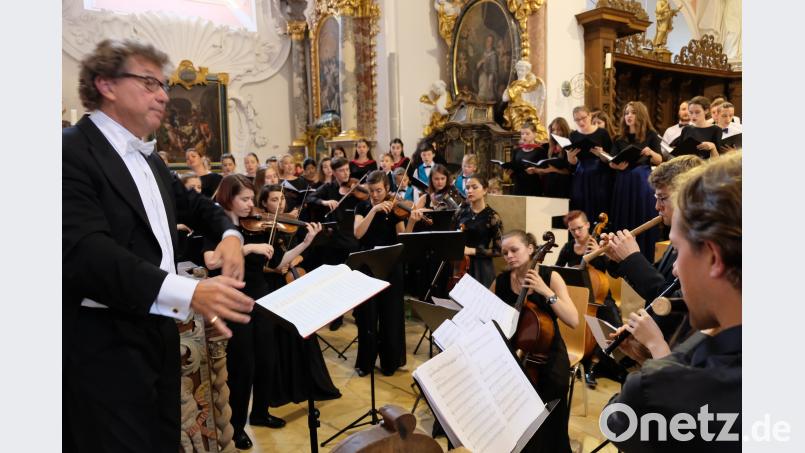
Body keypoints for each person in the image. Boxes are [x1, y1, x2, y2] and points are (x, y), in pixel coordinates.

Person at [63, 39, 253, 453]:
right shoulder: (68, 152)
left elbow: (198, 205)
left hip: (157, 332)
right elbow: (89, 254)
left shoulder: (150, 158)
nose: (165, 96)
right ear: (106, 85)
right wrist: (192, 292)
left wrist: (231, 235)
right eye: (150, 83)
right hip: (101, 344)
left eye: (163, 85)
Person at [603, 153, 741, 452]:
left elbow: (614, 421)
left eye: (677, 250)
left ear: (715, 257)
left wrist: (660, 361)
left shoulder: (668, 386)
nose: (676, 269)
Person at [248, 184, 341, 428]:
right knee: (272, 346)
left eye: (281, 199)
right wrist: (277, 266)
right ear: (264, 204)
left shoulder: (283, 225)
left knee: (298, 334)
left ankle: (302, 384)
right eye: (273, 200)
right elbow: (267, 265)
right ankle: (275, 394)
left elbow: (282, 259)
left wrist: (308, 240)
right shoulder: (256, 228)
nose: (279, 204)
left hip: (284, 283)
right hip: (267, 288)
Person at [490, 230, 578, 453]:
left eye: (514, 250)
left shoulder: (550, 277)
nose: (509, 256)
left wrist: (545, 291)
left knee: (551, 395)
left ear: (531, 249)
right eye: (504, 252)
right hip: (513, 352)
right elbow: (488, 316)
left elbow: (573, 319)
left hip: (548, 353)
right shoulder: (500, 281)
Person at [601, 155, 704, 342]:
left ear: (686, 195)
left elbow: (669, 302)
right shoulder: (680, 236)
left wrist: (633, 258)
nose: (657, 206)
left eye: (662, 198)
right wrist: (621, 259)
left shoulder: (703, 242)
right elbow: (658, 282)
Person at [352, 170, 421, 375]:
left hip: (391, 266)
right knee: (368, 316)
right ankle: (365, 363)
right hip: (367, 268)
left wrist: (412, 222)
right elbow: (358, 233)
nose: (374, 195)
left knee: (391, 315)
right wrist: (373, 211)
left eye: (379, 191)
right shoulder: (362, 206)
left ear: (388, 189)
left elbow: (402, 239)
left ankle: (390, 362)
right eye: (371, 191)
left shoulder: (394, 209)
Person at [307, 157, 361, 329]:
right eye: (342, 170)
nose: (346, 173)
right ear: (334, 172)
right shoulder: (329, 188)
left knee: (354, 279)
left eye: (347, 169)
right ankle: (336, 316)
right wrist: (324, 202)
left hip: (352, 239)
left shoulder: (355, 189)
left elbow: (366, 201)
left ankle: (358, 312)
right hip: (334, 240)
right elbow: (310, 198)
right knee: (334, 280)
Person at [609, 101, 664, 262]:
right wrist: (616, 166)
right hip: (624, 181)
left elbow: (659, 160)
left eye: (632, 112)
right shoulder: (619, 138)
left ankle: (645, 258)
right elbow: (612, 161)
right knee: (624, 218)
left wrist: (650, 152)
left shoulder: (650, 135)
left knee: (642, 217)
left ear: (640, 115)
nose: (628, 116)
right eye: (626, 113)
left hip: (642, 181)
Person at [452, 174, 503, 287]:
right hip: (460, 265)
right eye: (468, 187)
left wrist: (472, 251)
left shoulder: (493, 217)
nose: (470, 191)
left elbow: (499, 250)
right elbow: (451, 236)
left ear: (485, 190)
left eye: (474, 187)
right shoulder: (460, 212)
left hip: (481, 268)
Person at [568, 105, 615, 224]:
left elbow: (611, 159)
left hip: (599, 174)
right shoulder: (573, 135)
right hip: (581, 173)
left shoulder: (602, 133)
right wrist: (570, 157)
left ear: (590, 116)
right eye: (577, 120)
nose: (581, 122)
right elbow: (573, 164)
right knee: (580, 205)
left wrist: (601, 154)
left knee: (598, 206)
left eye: (583, 118)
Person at [536, 117, 572, 198]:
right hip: (550, 185)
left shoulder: (569, 145)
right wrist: (539, 170)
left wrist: (555, 170)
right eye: (553, 130)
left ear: (564, 130)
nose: (556, 132)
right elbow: (548, 168)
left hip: (564, 186)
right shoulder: (549, 146)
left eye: (559, 130)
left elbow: (570, 171)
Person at [508, 122, 545, 196]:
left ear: (534, 134)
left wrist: (536, 170)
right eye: (522, 134)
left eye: (527, 134)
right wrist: (510, 171)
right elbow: (513, 166)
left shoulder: (540, 150)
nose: (524, 136)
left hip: (533, 187)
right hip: (518, 186)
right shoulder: (517, 150)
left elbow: (544, 170)